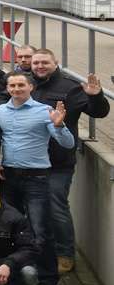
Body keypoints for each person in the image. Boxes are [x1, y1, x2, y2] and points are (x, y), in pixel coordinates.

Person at [28, 50, 109, 273]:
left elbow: (98, 113)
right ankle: (34, 249)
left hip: (58, 162)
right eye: (36, 63)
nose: (40, 66)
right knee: (32, 208)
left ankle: (65, 254)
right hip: (30, 161)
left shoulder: (70, 87)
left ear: (56, 63)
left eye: (45, 62)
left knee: (56, 207)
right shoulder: (26, 84)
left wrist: (95, 95)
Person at [0, 72, 74, 285]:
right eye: (12, 85)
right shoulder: (0, 112)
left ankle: (48, 278)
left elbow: (67, 144)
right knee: (9, 226)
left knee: (40, 229)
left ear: (31, 87)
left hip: (36, 178)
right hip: (9, 176)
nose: (17, 89)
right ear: (7, 88)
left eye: (21, 85)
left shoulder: (43, 111)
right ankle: (14, 271)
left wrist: (59, 126)